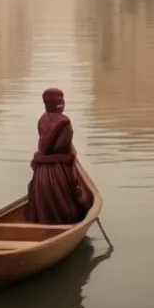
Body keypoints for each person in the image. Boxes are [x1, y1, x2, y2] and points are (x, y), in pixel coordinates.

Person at [25, 87, 92, 225]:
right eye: (61, 100)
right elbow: (52, 149)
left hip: (41, 174)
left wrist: (38, 158)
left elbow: (43, 151)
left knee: (46, 209)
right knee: (66, 210)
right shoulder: (64, 122)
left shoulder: (41, 120)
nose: (63, 103)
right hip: (57, 172)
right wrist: (67, 158)